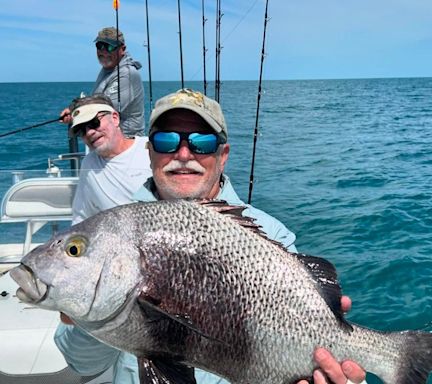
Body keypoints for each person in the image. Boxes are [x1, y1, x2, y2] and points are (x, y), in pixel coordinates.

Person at [55, 89, 366, 384]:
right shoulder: (114, 235)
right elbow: (84, 363)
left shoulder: (270, 235)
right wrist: (88, 312)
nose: (184, 153)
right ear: (149, 151)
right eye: (166, 141)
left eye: (202, 142)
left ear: (223, 155)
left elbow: (305, 341)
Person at [66, 94, 151, 223]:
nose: (89, 132)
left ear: (115, 118)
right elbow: (81, 217)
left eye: (94, 123)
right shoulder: (89, 164)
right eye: (81, 130)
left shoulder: (152, 148)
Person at [61, 27, 145, 137]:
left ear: (122, 49)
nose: (104, 51)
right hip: (106, 140)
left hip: (126, 143)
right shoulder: (108, 68)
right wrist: (74, 110)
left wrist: (77, 111)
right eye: (100, 46)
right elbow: (98, 100)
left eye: (110, 47)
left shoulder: (127, 74)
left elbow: (105, 109)